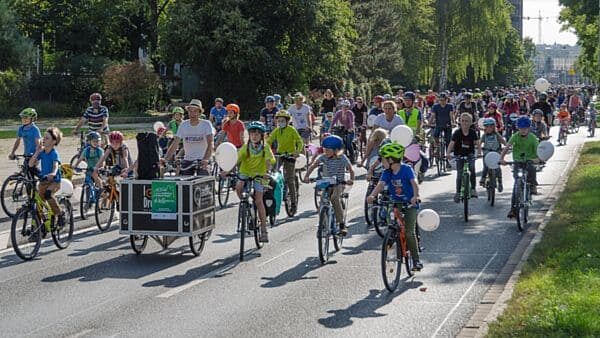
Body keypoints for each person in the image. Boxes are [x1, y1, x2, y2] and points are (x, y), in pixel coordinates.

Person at [366, 142, 422, 270]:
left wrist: (415, 196)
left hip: (409, 203)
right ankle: (392, 236)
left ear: (391, 160)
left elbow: (414, 183)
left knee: (409, 232)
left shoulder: (406, 169)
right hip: (396, 201)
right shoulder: (387, 172)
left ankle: (416, 259)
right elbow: (380, 185)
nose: (381, 162)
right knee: (391, 221)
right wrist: (372, 195)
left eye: (383, 159)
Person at [303, 135, 355, 236]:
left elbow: (351, 169)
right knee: (323, 201)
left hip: (339, 184)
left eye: (328, 150)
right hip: (327, 183)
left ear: (336, 150)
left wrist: (351, 179)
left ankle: (341, 225)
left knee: (335, 198)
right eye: (324, 149)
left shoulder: (342, 157)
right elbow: (314, 165)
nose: (325, 152)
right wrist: (306, 176)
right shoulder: (324, 157)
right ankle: (323, 222)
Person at [235, 121, 275, 243]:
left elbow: (269, 160)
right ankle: (244, 204)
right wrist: (227, 170)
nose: (255, 136)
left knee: (259, 200)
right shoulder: (245, 148)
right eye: (252, 133)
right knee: (238, 187)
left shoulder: (265, 147)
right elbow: (237, 159)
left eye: (258, 134)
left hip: (260, 174)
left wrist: (267, 172)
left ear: (262, 136)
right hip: (245, 172)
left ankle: (263, 229)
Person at [500, 117, 540, 218]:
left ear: (529, 128)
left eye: (525, 128)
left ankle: (533, 185)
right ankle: (513, 210)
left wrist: (538, 158)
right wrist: (501, 158)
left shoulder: (532, 138)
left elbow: (539, 150)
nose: (523, 130)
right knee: (516, 185)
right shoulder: (515, 136)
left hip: (529, 160)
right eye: (521, 128)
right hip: (518, 161)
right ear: (518, 128)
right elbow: (507, 147)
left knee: (531, 169)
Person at [164, 99, 215, 176]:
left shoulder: (206, 124)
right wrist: (165, 159)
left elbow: (210, 143)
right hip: (188, 159)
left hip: (202, 159)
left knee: (203, 182)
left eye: (195, 111)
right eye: (190, 111)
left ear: (200, 113)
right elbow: (175, 144)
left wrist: (206, 159)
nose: (192, 114)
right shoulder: (184, 125)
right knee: (183, 182)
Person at [267, 110, 304, 214]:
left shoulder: (291, 130)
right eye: (279, 121)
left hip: (290, 156)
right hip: (279, 155)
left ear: (287, 121)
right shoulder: (277, 131)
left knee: (290, 180)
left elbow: (299, 141)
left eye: (282, 120)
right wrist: (266, 150)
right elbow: (269, 141)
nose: (280, 122)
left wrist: (297, 152)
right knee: (273, 176)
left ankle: (293, 203)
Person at [29, 127, 65, 232]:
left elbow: (55, 165)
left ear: (54, 141)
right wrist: (37, 151)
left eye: (47, 138)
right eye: (43, 137)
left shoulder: (54, 153)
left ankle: (60, 214)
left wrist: (53, 173)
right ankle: (40, 225)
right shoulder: (42, 152)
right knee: (38, 203)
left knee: (48, 194)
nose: (43, 140)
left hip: (54, 181)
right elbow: (31, 164)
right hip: (43, 181)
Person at [447, 113, 482, 202]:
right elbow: (451, 143)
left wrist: (478, 153)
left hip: (470, 154)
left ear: (470, 123)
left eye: (467, 121)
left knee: (472, 169)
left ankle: (473, 189)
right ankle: (458, 192)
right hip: (459, 155)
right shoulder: (457, 132)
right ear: (460, 122)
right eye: (462, 121)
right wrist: (448, 153)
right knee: (459, 173)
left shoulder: (473, 132)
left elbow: (478, 143)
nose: (464, 123)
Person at [479, 118, 507, 191]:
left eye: (491, 126)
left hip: (496, 153)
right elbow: (479, 143)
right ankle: (483, 178)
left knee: (497, 168)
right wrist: (478, 149)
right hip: (487, 153)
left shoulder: (496, 135)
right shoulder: (484, 136)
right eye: (487, 127)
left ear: (494, 127)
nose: (489, 128)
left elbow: (503, 141)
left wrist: (507, 146)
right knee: (485, 167)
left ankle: (500, 182)